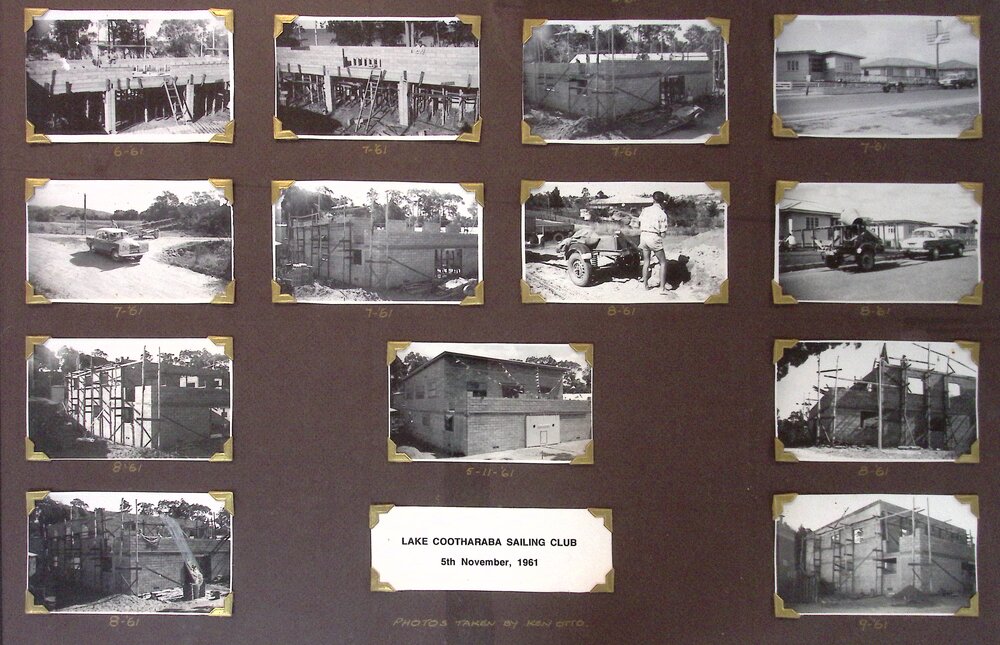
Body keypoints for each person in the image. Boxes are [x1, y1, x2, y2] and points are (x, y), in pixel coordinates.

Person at [637, 191, 670, 293]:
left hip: (643, 236)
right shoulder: (662, 214)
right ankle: (662, 288)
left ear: (653, 199)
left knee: (646, 261)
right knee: (663, 262)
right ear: (663, 201)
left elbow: (639, 223)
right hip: (653, 237)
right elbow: (663, 234)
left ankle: (645, 286)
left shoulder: (645, 210)